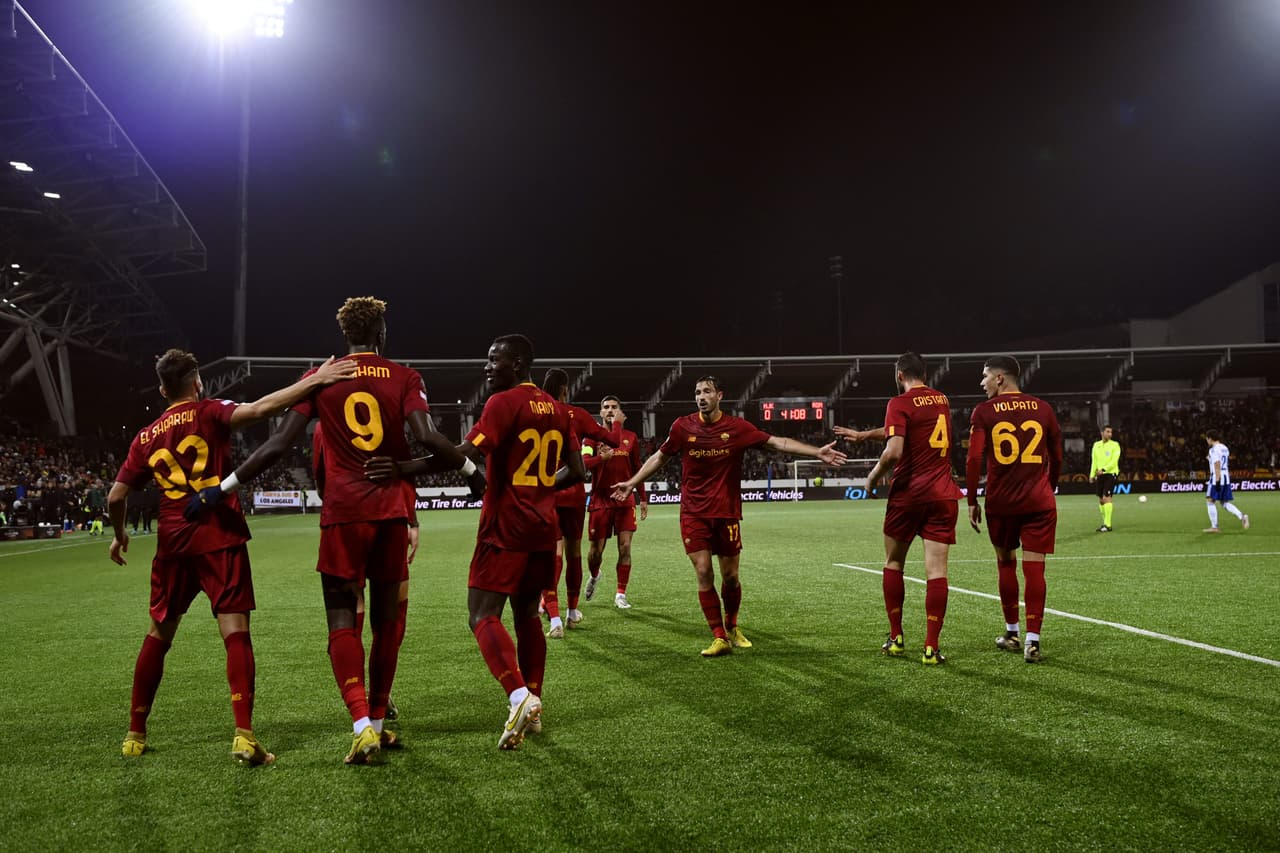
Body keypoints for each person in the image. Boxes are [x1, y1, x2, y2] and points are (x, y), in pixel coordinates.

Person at [191, 296, 482, 765]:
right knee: (388, 622)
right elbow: (428, 438)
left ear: (345, 336)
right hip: (389, 512)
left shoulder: (320, 378)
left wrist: (219, 487)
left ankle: (361, 724)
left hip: (342, 515)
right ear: (382, 334)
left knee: (342, 618)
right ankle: (381, 721)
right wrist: (470, 471)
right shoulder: (404, 377)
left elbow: (279, 445)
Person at [108, 347, 356, 764]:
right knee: (234, 631)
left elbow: (117, 495)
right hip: (219, 535)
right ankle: (243, 735)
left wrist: (119, 535)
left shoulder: (145, 436)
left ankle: (135, 734)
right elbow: (261, 409)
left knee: (158, 635)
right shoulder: (209, 411)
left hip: (172, 541)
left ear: (162, 388)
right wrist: (314, 380)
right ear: (197, 381)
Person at [369, 334, 586, 750]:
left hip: (505, 527)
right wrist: (541, 489)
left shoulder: (503, 404)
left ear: (519, 363)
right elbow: (575, 470)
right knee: (526, 616)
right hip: (543, 527)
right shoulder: (558, 410)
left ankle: (519, 695)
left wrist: (401, 468)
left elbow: (459, 453)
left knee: (482, 614)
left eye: (494, 360)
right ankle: (535, 704)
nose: (487, 367)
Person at [612, 375, 846, 657]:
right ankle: (719, 636)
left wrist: (816, 452)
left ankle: (732, 626)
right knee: (702, 571)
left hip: (726, 513)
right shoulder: (682, 427)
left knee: (731, 577)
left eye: (707, 391)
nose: (701, 396)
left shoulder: (737, 429)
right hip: (694, 513)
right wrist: (632, 482)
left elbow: (778, 442)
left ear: (719, 396)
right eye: (697, 392)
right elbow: (659, 458)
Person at [863, 352, 962, 666]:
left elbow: (894, 450)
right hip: (943, 494)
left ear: (899, 374)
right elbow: (914, 429)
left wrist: (873, 476)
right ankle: (931, 648)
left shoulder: (899, 402)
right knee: (937, 572)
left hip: (908, 494)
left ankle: (896, 638)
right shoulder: (942, 400)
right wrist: (868, 434)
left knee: (893, 563)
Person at [965, 356, 1062, 664]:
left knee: (1006, 563)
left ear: (1000, 379)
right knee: (1036, 568)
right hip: (1039, 501)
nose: (981, 383)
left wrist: (970, 499)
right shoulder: (1044, 409)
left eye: (985, 377)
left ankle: (1012, 632)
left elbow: (972, 460)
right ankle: (1032, 640)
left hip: (1002, 502)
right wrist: (1051, 485)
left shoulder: (984, 412)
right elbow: (1057, 456)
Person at [540, 369, 617, 637]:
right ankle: (572, 613)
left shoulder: (536, 414)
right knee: (574, 553)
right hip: (572, 492)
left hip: (545, 491)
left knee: (552, 555)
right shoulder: (579, 415)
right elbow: (613, 441)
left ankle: (554, 621)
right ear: (565, 389)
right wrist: (612, 421)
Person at [584, 395, 647, 611]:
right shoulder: (591, 439)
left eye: (614, 407)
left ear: (620, 412)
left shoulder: (630, 437)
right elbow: (585, 465)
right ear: (600, 413)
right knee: (595, 552)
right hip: (600, 500)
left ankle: (621, 593)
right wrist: (601, 458)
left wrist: (643, 498)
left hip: (625, 499)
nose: (610, 410)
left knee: (626, 547)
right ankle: (594, 574)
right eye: (606, 407)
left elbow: (638, 468)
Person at [1203, 430, 1249, 533]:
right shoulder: (1225, 448)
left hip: (1217, 477)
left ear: (1210, 438)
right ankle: (1242, 516)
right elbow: (1222, 461)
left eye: (1207, 439)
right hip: (1226, 477)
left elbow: (1217, 464)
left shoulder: (1213, 450)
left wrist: (1217, 481)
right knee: (1224, 502)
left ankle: (1214, 527)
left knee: (1210, 501)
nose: (1207, 441)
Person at [1089, 424, 1120, 532]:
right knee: (1101, 500)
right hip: (1099, 474)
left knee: (1107, 497)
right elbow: (1094, 461)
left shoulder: (1115, 445)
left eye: (1111, 432)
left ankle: (1108, 525)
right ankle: (1104, 523)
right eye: (1107, 432)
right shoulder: (1096, 445)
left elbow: (1114, 461)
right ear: (1102, 433)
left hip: (1110, 473)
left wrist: (1104, 469)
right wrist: (1092, 474)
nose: (1110, 434)